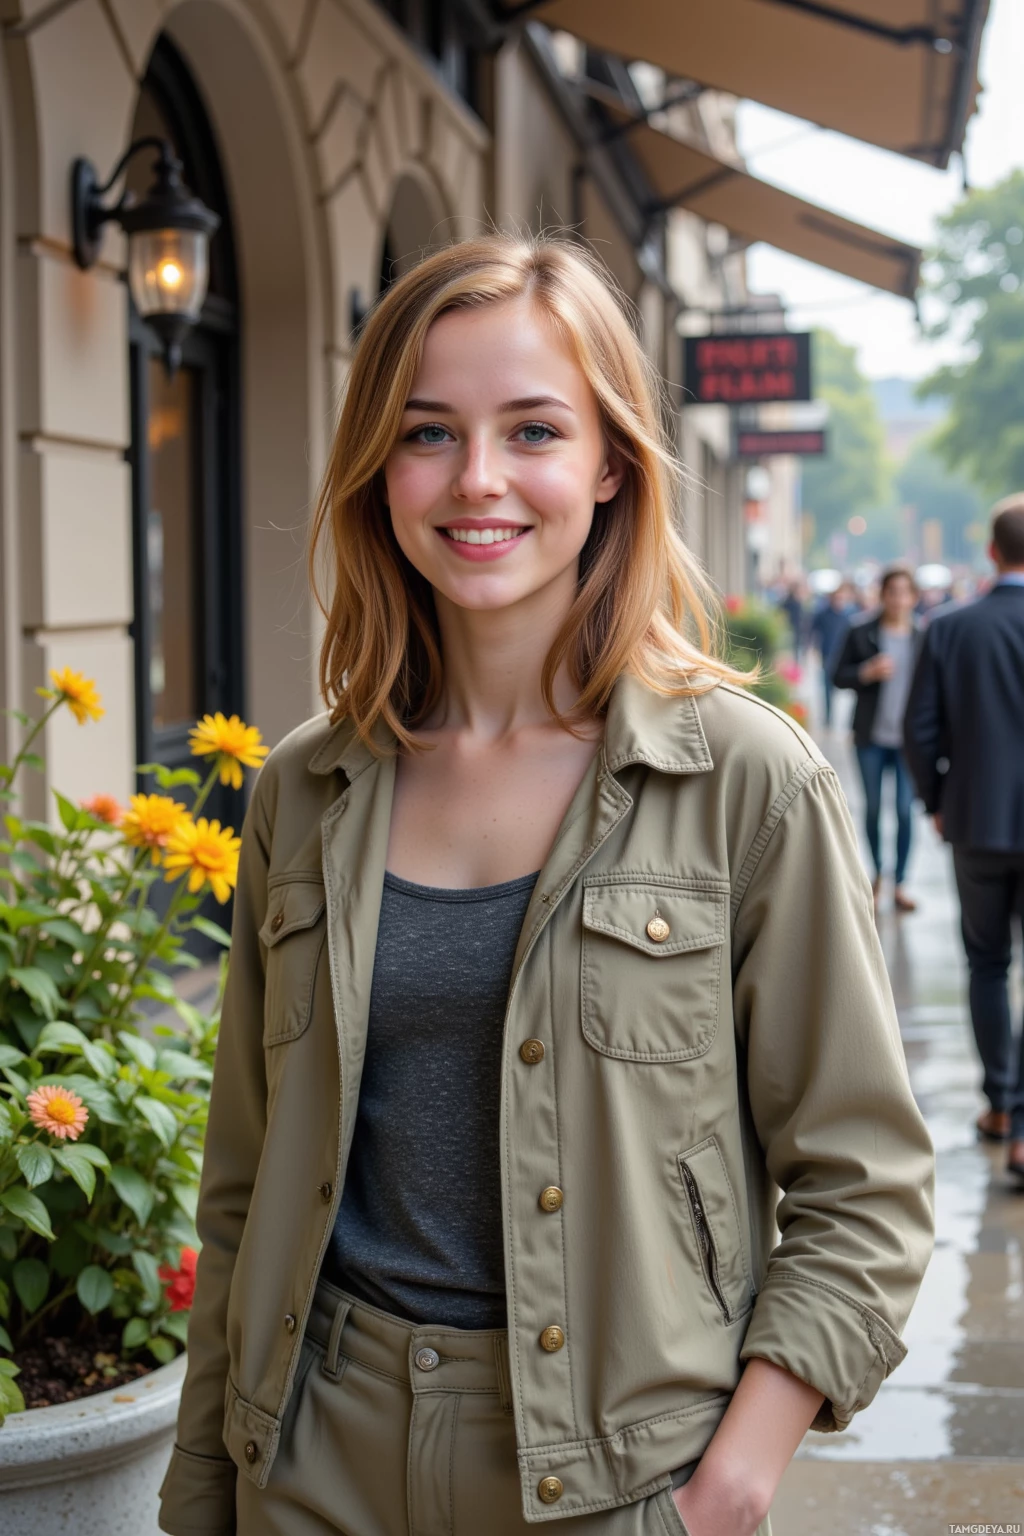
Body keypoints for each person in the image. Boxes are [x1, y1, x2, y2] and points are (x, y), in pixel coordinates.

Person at [158, 236, 934, 1536]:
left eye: (532, 430)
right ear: (376, 467)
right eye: (426, 433)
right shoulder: (303, 790)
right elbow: (239, 1188)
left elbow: (866, 1181)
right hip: (308, 1461)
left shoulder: (744, 782)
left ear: (610, 463)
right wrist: (203, 1500)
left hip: (608, 1479)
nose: (477, 481)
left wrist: (728, 1488)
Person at [904, 498, 1024, 1184]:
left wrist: (937, 799)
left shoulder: (949, 628)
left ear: (991, 552)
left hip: (976, 818)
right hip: (979, 817)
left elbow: (920, 727)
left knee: (986, 963)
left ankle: (1001, 1103)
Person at [832, 566, 923, 913]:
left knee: (903, 810)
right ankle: (875, 876)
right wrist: (865, 673)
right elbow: (837, 675)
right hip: (870, 737)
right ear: (882, 595)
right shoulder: (861, 632)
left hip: (908, 743)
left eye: (905, 593)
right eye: (892, 592)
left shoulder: (923, 637)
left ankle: (900, 882)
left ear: (913, 597)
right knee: (871, 809)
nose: (898, 600)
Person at [809, 581, 857, 726]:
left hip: (845, 657)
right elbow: (813, 631)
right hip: (827, 655)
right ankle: (829, 718)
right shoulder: (823, 614)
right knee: (827, 689)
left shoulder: (850, 615)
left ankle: (848, 721)